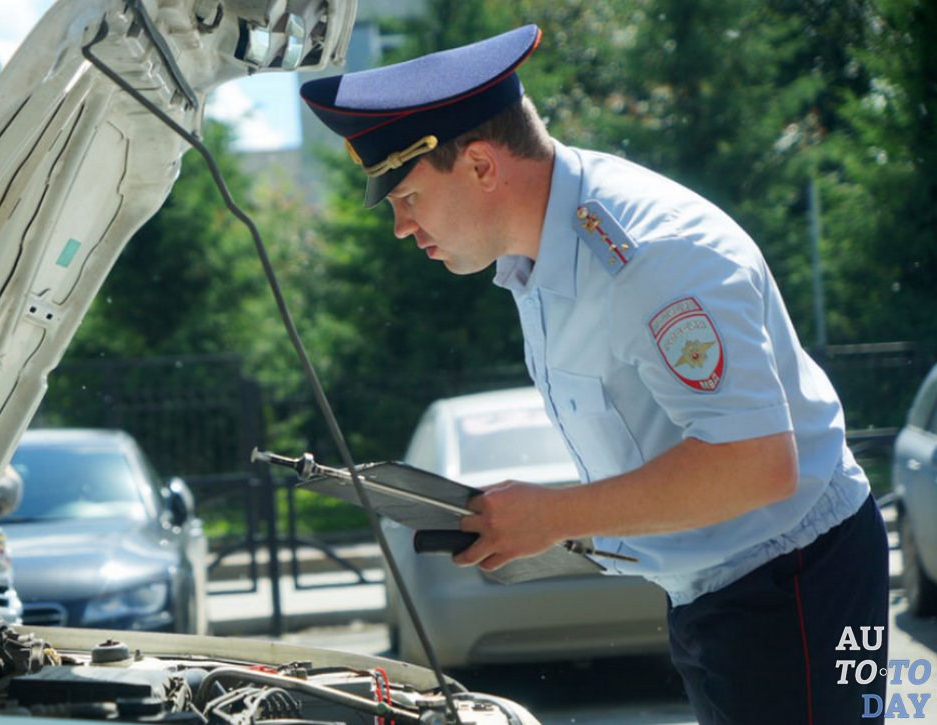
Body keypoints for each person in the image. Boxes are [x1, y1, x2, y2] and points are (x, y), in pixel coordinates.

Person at [301, 24, 890, 725]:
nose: (401, 226)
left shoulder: (648, 256)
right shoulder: (542, 258)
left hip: (795, 583)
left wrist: (552, 516)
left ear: (483, 166)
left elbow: (758, 463)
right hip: (726, 589)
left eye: (407, 197)